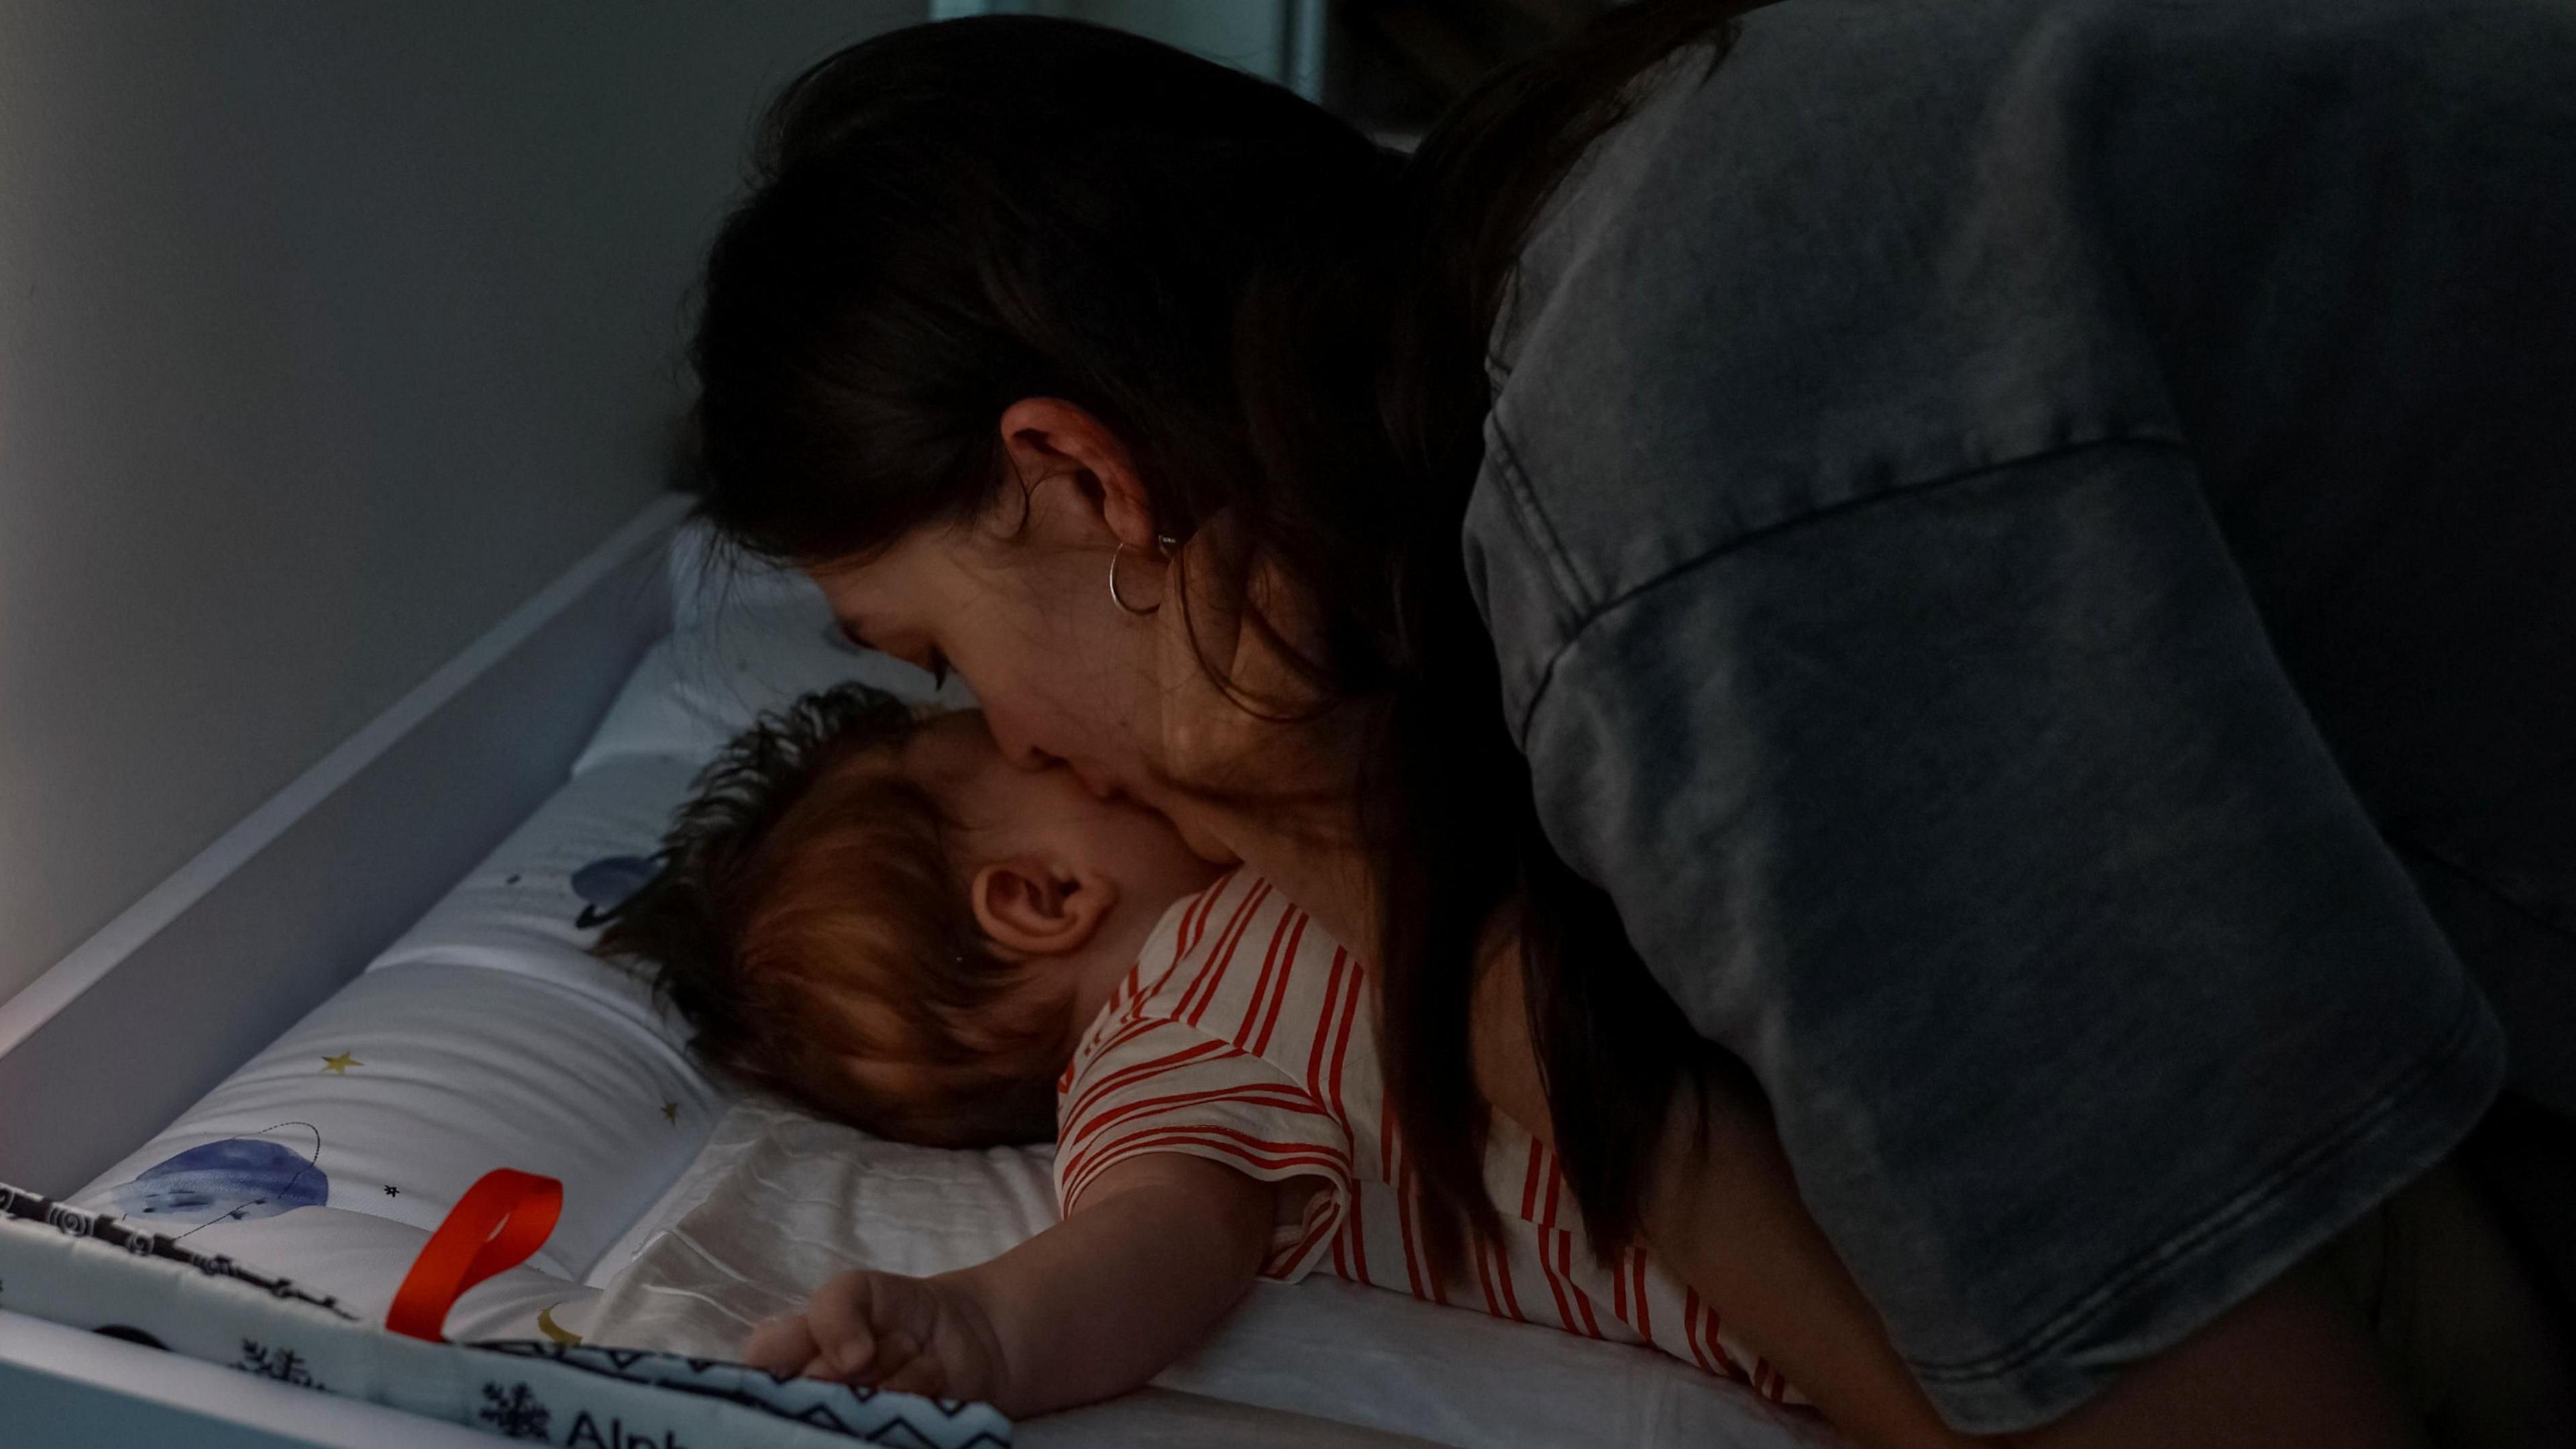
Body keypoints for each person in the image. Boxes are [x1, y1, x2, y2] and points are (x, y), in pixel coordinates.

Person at [679, 5, 2576, 1444]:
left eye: (932, 655)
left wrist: (1336, 833)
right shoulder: (1619, 274)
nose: (1027, 738)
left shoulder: (1663, 489)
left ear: (1080, 478)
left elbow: (2213, 1420)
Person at [595, 688, 1815, 1417]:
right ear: (1044, 895)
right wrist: (985, 1331)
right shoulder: (1171, 1028)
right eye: (1053, 761)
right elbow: (1165, 1228)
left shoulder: (1276, 884)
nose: (1093, 744)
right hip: (1796, 1249)